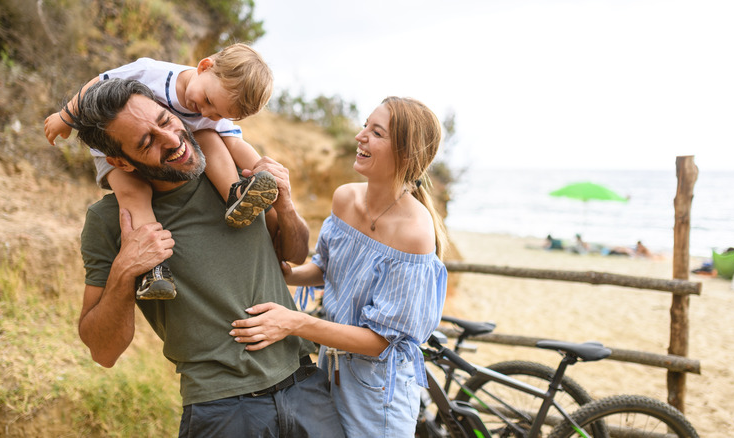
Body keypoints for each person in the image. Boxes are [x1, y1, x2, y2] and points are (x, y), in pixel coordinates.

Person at [70, 78, 344, 437]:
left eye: (165, 121)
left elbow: (291, 254)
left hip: (306, 388)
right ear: (120, 161)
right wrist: (125, 271)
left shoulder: (235, 177)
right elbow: (103, 352)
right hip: (222, 411)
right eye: (146, 142)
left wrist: (287, 204)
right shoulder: (110, 222)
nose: (170, 139)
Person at [230, 97, 449, 437]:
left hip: (378, 396)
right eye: (365, 125)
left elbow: (380, 341)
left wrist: (294, 322)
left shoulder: (415, 233)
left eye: (376, 132)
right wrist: (285, 273)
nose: (361, 136)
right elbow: (324, 268)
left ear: (406, 154)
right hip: (329, 370)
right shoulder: (345, 198)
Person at [44, 42, 277, 300]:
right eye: (209, 102)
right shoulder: (150, 72)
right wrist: (66, 117)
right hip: (113, 148)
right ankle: (153, 270)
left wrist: (263, 169)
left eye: (219, 113)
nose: (207, 112)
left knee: (211, 135)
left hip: (164, 147)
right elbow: (99, 82)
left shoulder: (213, 111)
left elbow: (235, 143)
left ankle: (234, 194)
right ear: (204, 66)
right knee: (135, 194)